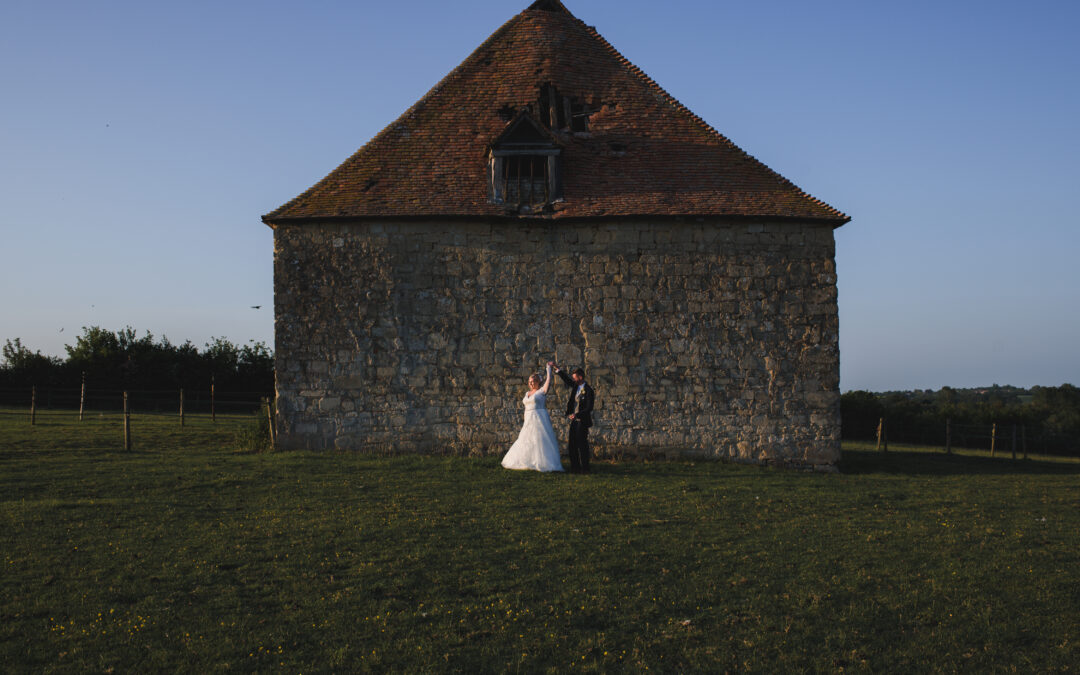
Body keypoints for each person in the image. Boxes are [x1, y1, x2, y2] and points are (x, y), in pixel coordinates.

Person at [501, 362, 564, 472]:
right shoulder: (527, 393)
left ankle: (542, 462)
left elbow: (548, 382)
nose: (530, 383)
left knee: (540, 441)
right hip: (528, 420)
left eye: (533, 381)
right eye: (529, 382)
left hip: (539, 420)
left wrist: (549, 370)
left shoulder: (541, 391)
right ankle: (528, 461)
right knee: (527, 440)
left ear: (538, 381)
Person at [553, 364, 595, 473]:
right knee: (572, 444)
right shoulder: (576, 386)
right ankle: (575, 467)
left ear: (580, 377)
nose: (573, 379)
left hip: (583, 421)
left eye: (575, 377)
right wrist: (557, 368)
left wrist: (577, 415)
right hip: (574, 421)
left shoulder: (589, 390)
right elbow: (566, 380)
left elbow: (589, 408)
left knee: (582, 444)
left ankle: (585, 468)